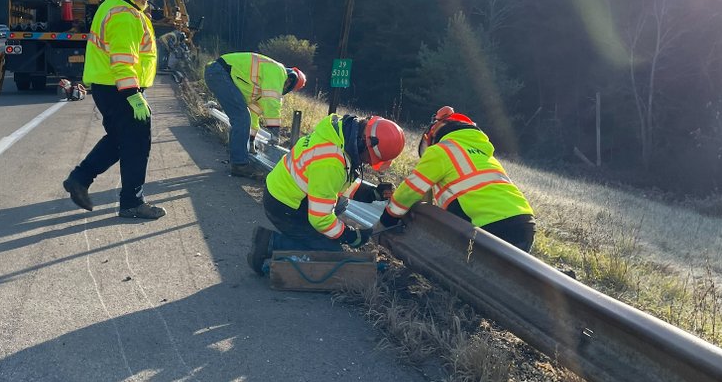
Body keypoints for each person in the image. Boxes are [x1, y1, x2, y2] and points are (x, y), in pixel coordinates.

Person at [62, 0, 166, 220]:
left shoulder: (119, 7)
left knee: (120, 140)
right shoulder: (124, 14)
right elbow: (122, 60)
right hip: (121, 88)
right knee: (137, 145)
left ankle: (80, 178)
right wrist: (134, 95)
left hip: (111, 87)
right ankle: (132, 202)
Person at [248, 113, 406, 274]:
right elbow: (320, 218)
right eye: (370, 159)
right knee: (330, 253)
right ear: (365, 143)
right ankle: (270, 243)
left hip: (287, 194)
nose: (368, 163)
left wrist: (372, 193)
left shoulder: (339, 134)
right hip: (284, 208)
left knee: (341, 204)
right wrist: (349, 235)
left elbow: (334, 184)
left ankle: (308, 236)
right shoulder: (331, 162)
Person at [379, 106, 535, 251]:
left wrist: (387, 219)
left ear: (433, 134)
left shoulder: (441, 151)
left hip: (490, 225)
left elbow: (410, 191)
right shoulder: (483, 154)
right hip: (525, 221)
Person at [204, 52, 307, 177]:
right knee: (241, 118)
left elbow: (253, 113)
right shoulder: (278, 71)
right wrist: (275, 132)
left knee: (241, 117)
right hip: (220, 73)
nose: (285, 87)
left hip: (218, 73)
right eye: (288, 84)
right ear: (291, 79)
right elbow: (272, 104)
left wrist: (252, 139)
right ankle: (239, 164)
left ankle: (237, 158)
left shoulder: (263, 85)